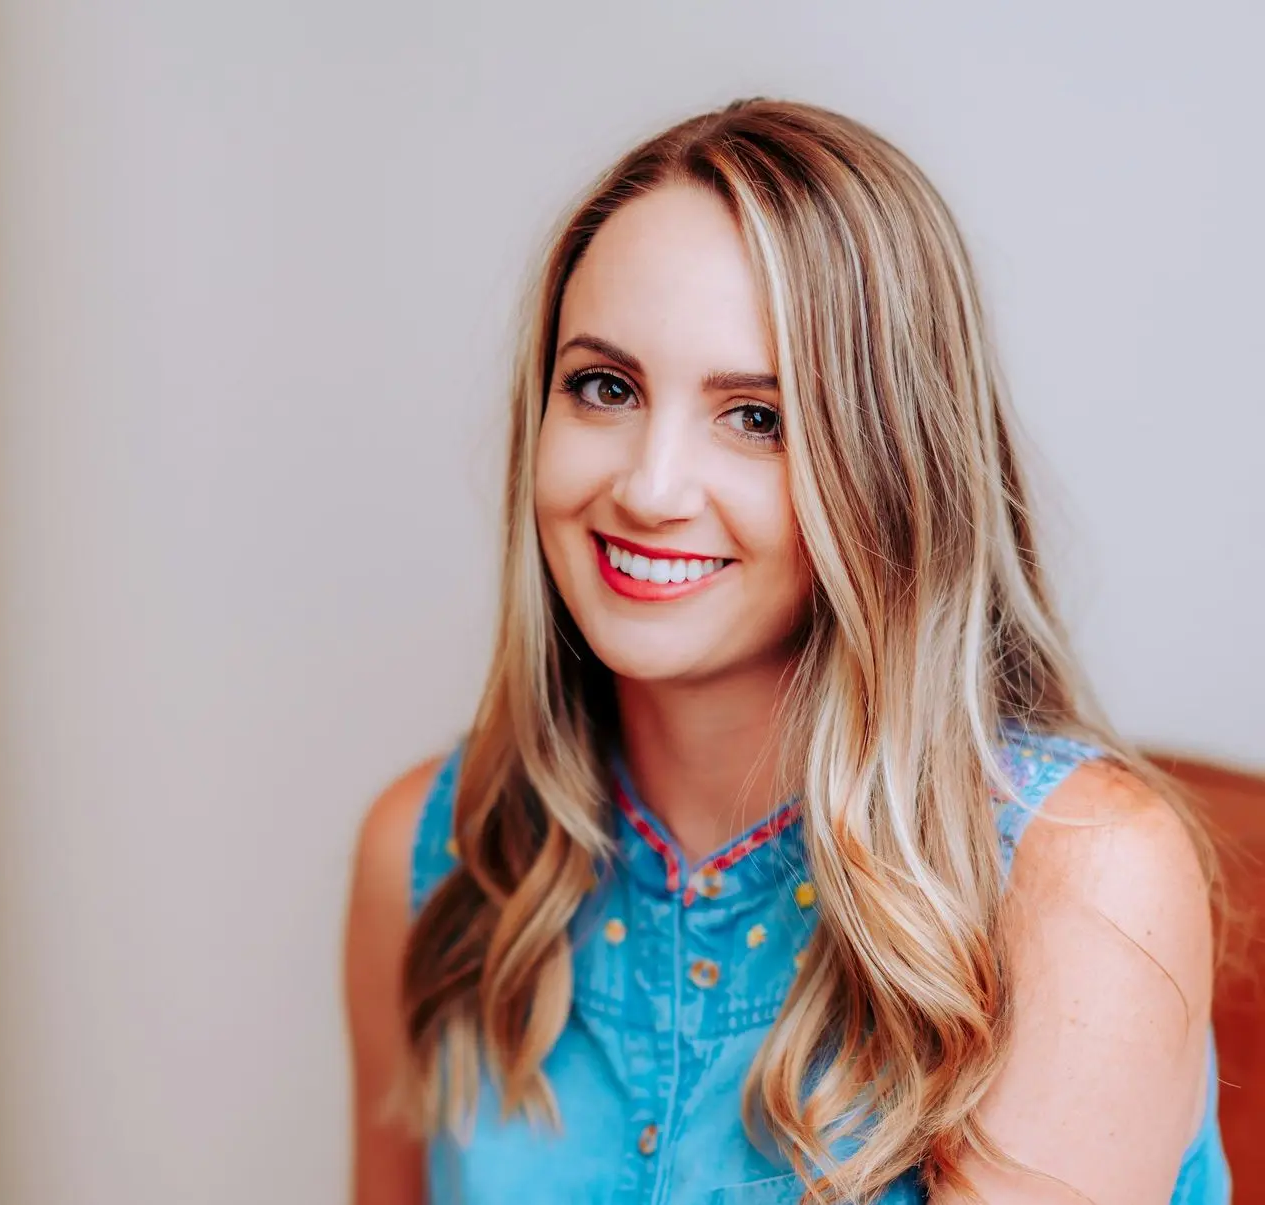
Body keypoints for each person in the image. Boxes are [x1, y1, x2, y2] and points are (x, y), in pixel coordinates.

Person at [343, 97, 1230, 1204]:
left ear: (890, 470)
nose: (649, 488)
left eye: (757, 417)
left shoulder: (1084, 875)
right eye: (604, 388)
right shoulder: (428, 855)